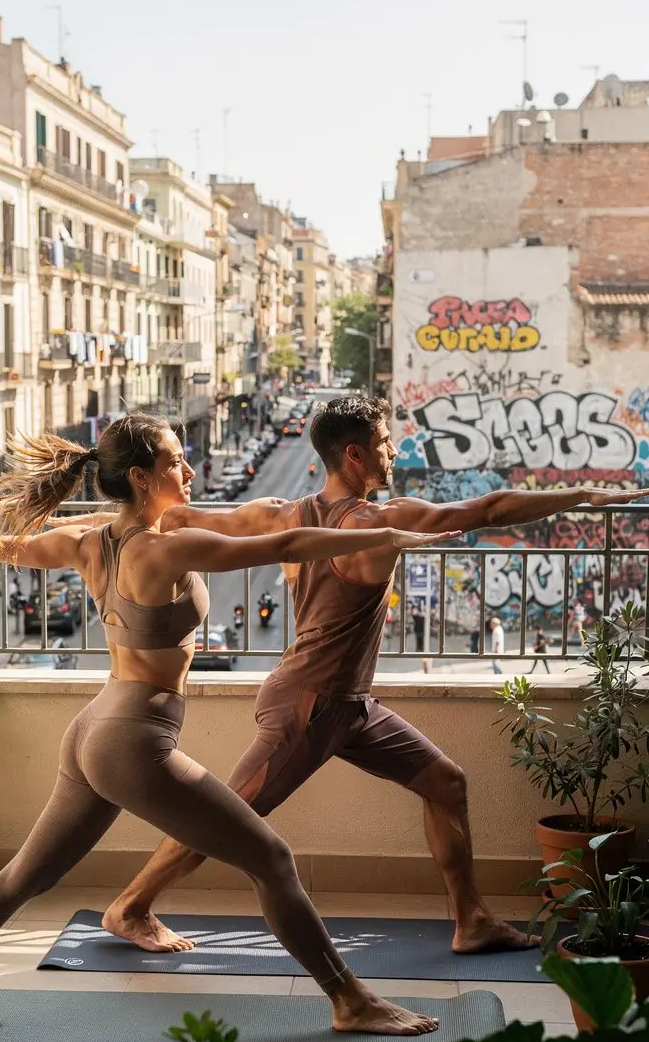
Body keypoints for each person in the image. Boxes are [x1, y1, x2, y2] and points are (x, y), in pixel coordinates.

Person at [0, 413, 460, 1038]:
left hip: (94, 729)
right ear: (139, 476)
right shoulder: (165, 548)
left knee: (25, 876)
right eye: (174, 462)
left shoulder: (92, 539)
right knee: (270, 858)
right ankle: (350, 1001)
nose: (188, 471)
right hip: (132, 739)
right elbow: (284, 546)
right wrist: (384, 539)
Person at [54, 396, 649, 956]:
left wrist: (137, 519)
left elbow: (186, 516)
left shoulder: (285, 514)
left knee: (446, 783)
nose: (393, 453)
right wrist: (584, 495)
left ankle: (471, 921)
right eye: (385, 443)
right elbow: (490, 507)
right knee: (228, 816)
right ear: (354, 455)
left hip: (351, 707)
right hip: (307, 706)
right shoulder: (373, 521)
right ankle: (131, 906)